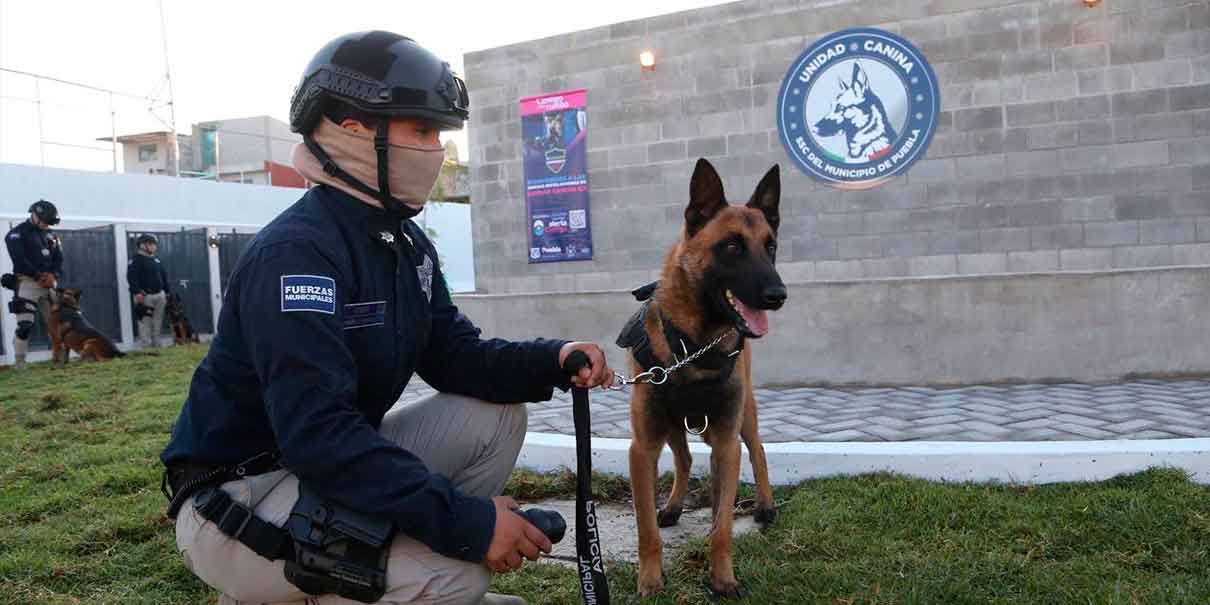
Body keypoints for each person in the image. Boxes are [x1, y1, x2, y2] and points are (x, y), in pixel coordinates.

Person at [159, 31, 614, 605]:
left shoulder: (404, 245)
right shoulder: (296, 256)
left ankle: (383, 574)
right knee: (457, 576)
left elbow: (457, 357)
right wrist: (468, 524)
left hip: (320, 470)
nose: (436, 149)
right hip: (240, 496)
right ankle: (383, 582)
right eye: (421, 130)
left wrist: (550, 358)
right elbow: (318, 435)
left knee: (496, 415)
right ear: (352, 132)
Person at [5, 199, 63, 370]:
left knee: (56, 324)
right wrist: (38, 276)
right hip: (28, 283)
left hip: (49, 283)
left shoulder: (52, 235)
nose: (47, 225)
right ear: (35, 216)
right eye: (46, 221)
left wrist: (54, 275)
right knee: (25, 325)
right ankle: (20, 362)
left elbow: (59, 259)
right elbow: (19, 260)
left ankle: (60, 359)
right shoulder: (16, 234)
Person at [127, 233, 171, 348]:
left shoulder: (156, 259)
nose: (154, 247)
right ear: (142, 245)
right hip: (145, 296)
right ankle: (146, 348)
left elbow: (164, 275)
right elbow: (132, 278)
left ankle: (157, 346)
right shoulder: (135, 260)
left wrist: (167, 292)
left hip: (160, 295)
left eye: (154, 245)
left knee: (158, 321)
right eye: (151, 244)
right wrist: (136, 293)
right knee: (145, 323)